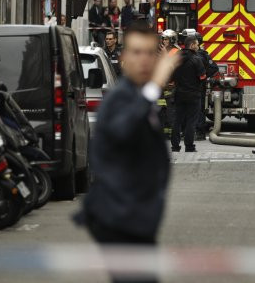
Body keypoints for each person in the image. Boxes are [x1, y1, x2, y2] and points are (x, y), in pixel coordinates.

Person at [76, 21, 180, 283]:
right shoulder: (122, 97)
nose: (143, 59)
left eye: (149, 52)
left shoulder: (135, 95)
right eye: (136, 52)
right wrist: (155, 86)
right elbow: (124, 129)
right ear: (124, 58)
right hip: (119, 216)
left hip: (136, 215)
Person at [170, 35, 206, 152]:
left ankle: (175, 146)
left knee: (177, 120)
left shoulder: (176, 57)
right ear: (192, 45)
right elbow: (202, 77)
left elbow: (170, 74)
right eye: (196, 44)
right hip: (193, 95)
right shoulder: (196, 59)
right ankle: (189, 146)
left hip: (179, 94)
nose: (198, 46)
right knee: (191, 121)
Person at [192, 30, 218, 141]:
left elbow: (214, 68)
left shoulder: (202, 55)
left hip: (198, 86)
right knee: (196, 109)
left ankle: (199, 132)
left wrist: (204, 76)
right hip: (196, 85)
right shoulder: (199, 54)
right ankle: (196, 131)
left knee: (198, 109)